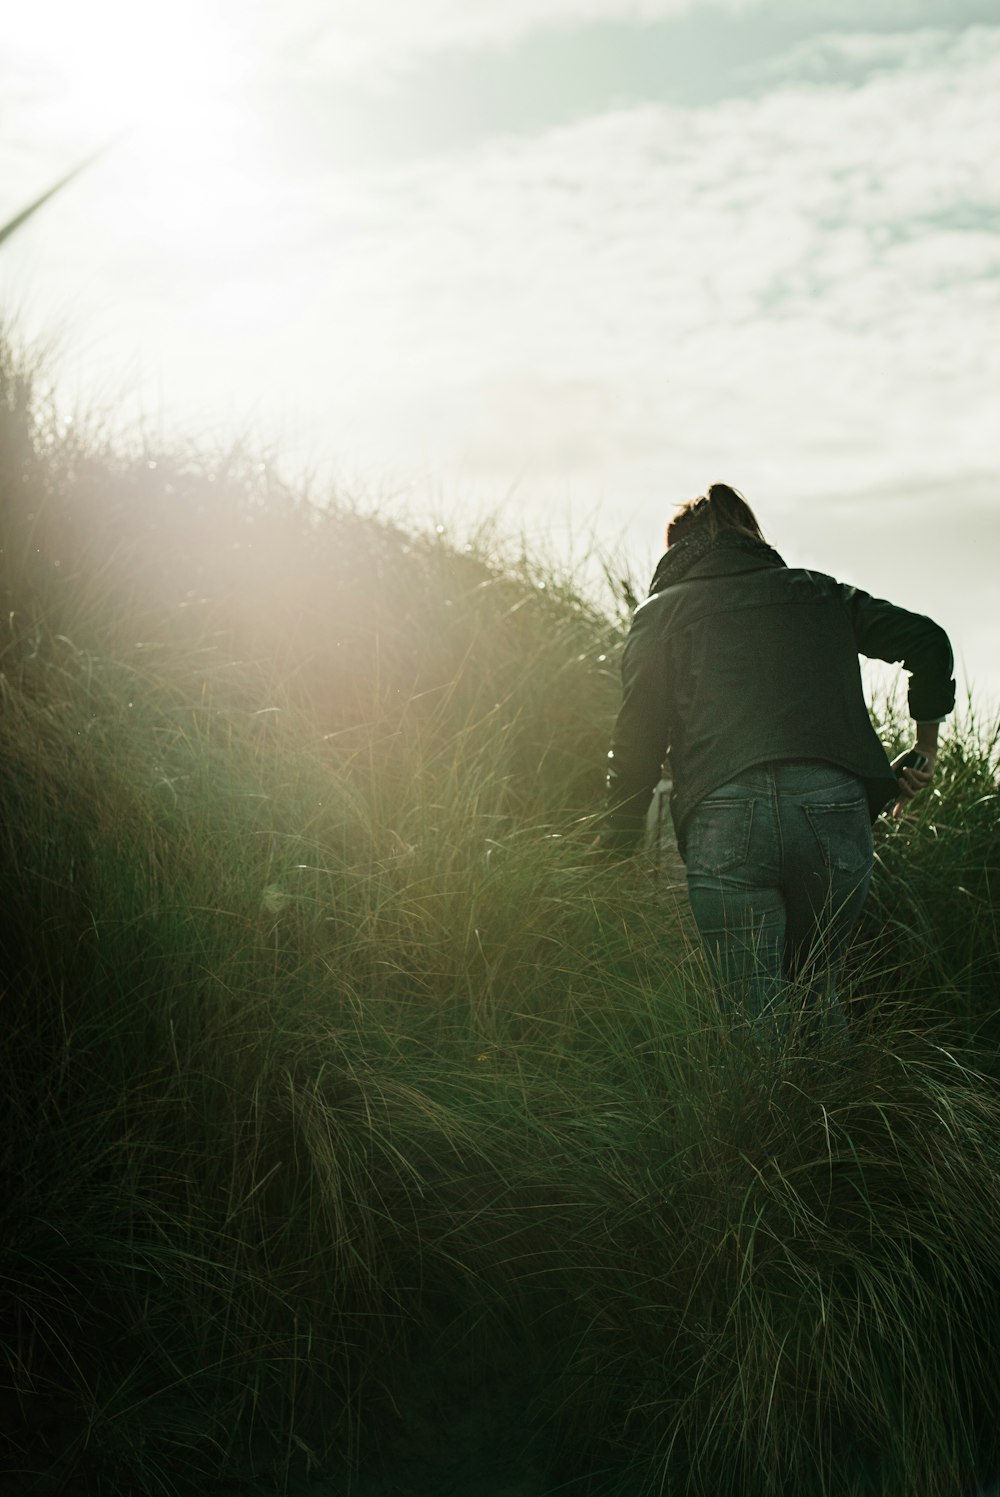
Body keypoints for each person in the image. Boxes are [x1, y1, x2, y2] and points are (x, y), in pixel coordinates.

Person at [600, 483, 955, 1043]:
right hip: (834, 812)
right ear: (750, 537)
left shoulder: (660, 613)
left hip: (726, 815)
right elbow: (928, 642)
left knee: (751, 1021)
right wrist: (926, 748)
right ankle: (839, 1127)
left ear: (675, 551)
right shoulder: (818, 594)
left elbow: (637, 749)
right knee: (817, 992)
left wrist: (613, 853)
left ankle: (766, 1131)